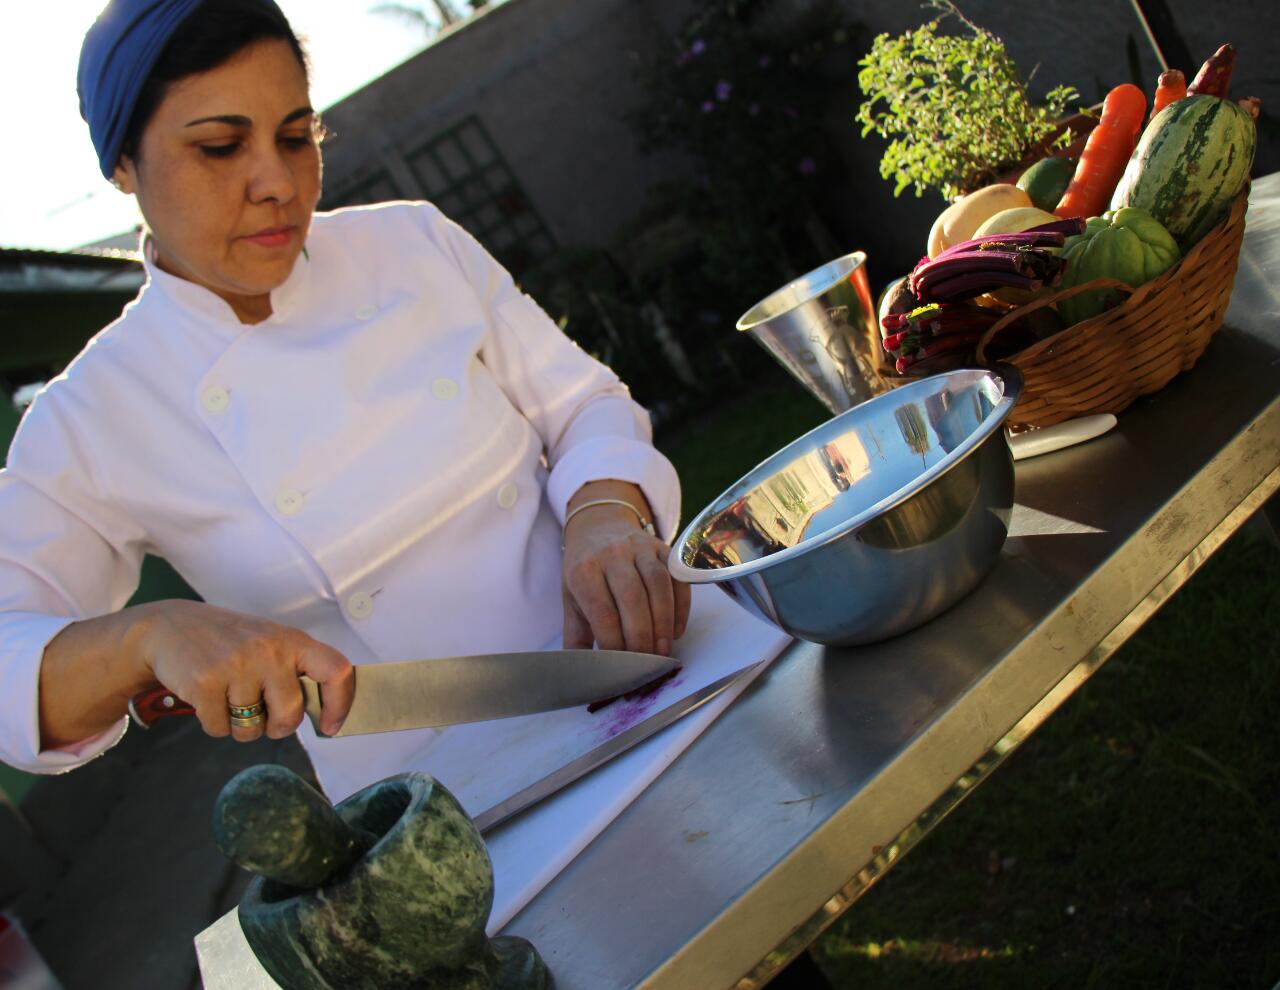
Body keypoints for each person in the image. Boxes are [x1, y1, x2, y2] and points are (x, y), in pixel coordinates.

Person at [0, 0, 690, 803]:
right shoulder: (93, 415)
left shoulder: (412, 244)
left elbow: (583, 404)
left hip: (629, 669)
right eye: (221, 147)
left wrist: (605, 507)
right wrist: (148, 636)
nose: (278, 183)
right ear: (122, 166)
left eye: (297, 136)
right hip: (443, 812)